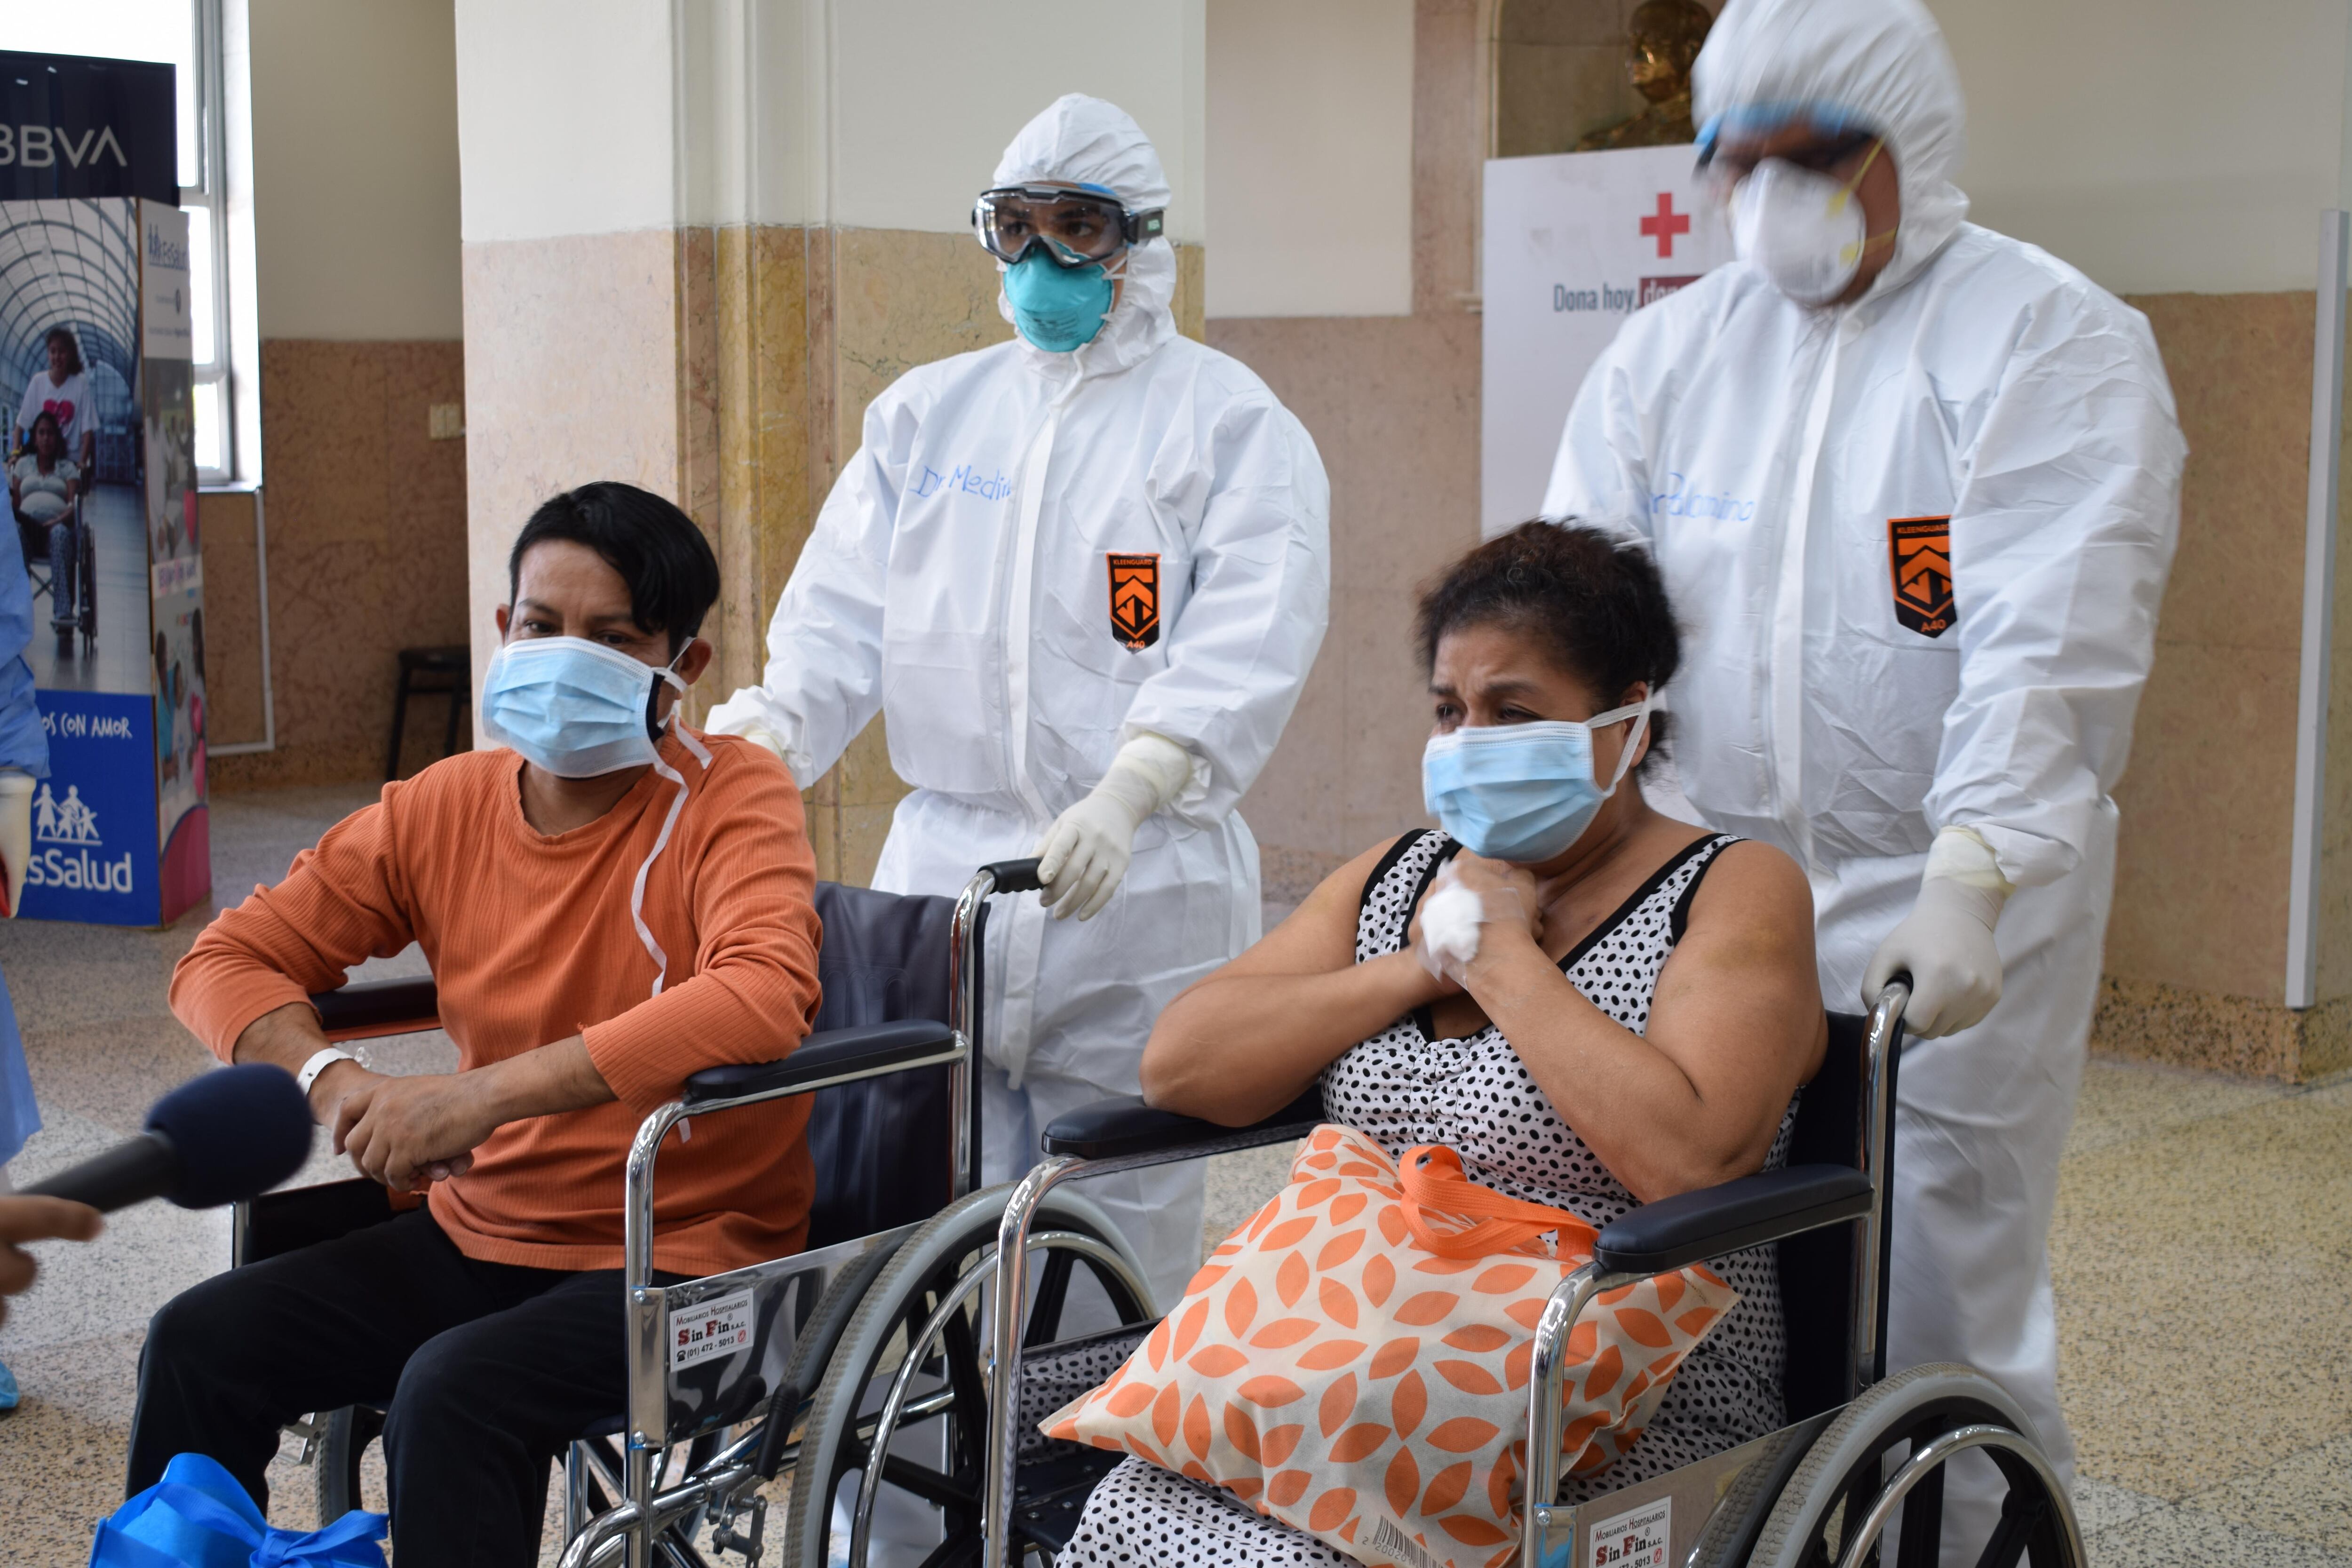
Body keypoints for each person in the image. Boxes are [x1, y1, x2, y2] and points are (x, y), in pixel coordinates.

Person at [1541, 0, 2186, 1537]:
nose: (1774, 198)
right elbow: (1577, 614)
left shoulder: (2047, 339)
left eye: (1816, 155)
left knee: (1930, 1285)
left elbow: (2051, 648)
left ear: (1916, 141)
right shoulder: (1671, 355)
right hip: (1709, 897)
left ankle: (1966, 1530)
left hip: (1948, 895)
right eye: (1738, 162)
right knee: (1700, 1271)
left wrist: (1974, 878)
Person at [1052, 523, 1825, 1564]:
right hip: (1357, 1372)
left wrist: (1505, 961)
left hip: (1603, 1398)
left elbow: (1693, 1160)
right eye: (1449, 711)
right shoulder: (1405, 877)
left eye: (1513, 711)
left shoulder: (1732, 888)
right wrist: (1423, 961)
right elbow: (1181, 1062)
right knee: (1131, 1506)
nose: (1469, 741)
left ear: (1629, 721)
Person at [126, 482, 825, 1566]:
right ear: (503, 629)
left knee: (453, 1389)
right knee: (199, 1342)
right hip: (480, 1229)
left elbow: (764, 992)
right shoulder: (437, 807)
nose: (562, 655)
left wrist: (483, 1094)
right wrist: (336, 1080)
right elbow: (224, 961)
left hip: (677, 1258)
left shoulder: (733, 795)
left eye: (612, 637)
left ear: (679, 668)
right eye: (541, 626)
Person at [707, 93, 1330, 1309]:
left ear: (1138, 242)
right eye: (1017, 227)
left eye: (1078, 230)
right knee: (915, 1211)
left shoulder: (1229, 421)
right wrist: (778, 729)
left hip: (1136, 880)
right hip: (942, 875)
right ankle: (908, 1491)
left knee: (1109, 1213)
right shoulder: (928, 416)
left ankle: (1073, 1480)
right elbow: (842, 610)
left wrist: (1138, 781)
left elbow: (1253, 636)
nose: (1042, 262)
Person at [9, 409, 85, 635]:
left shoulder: (67, 468)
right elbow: (15, 506)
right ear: (34, 438)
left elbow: (73, 506)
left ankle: (63, 611)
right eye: (41, 433)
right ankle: (15, 610)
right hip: (28, 529)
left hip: (58, 529)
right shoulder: (23, 466)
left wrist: (56, 521)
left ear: (57, 438)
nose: (45, 438)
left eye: (50, 433)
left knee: (61, 534)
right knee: (16, 534)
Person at [16, 327, 94, 470]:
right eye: (53, 351)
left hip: (70, 462)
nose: (57, 357)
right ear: (48, 354)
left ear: (70, 354)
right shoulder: (38, 381)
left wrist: (82, 462)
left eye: (62, 352)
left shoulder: (80, 383)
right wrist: (15, 454)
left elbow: (87, 430)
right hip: (42, 462)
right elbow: (21, 424)